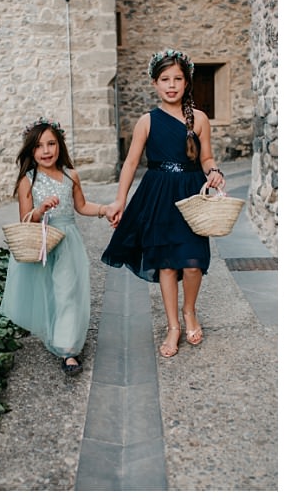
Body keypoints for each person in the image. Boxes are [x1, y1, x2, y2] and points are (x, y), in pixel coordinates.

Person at [101, 49, 226, 359]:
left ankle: (189, 312)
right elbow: (131, 163)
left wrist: (213, 172)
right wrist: (120, 200)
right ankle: (173, 326)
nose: (172, 85)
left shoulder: (199, 119)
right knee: (167, 264)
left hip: (190, 194)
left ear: (187, 82)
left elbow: (206, 156)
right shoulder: (147, 121)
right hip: (158, 195)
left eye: (178, 79)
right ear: (155, 83)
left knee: (194, 262)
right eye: (165, 79)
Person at [0, 118, 113, 375]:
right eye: (39, 146)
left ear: (60, 145)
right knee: (48, 292)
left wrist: (105, 209)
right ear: (31, 151)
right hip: (40, 242)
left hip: (67, 241)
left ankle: (68, 350)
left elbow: (82, 206)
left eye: (51, 144)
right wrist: (41, 209)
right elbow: (25, 219)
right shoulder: (28, 180)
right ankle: (52, 329)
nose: (46, 151)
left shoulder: (70, 175)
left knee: (67, 293)